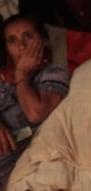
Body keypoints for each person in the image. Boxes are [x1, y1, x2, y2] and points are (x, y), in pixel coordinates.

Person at [0, 13, 70, 189]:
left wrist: (21, 74)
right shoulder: (2, 79)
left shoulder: (53, 73)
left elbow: (35, 113)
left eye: (28, 36)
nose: (22, 46)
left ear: (44, 41)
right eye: (12, 41)